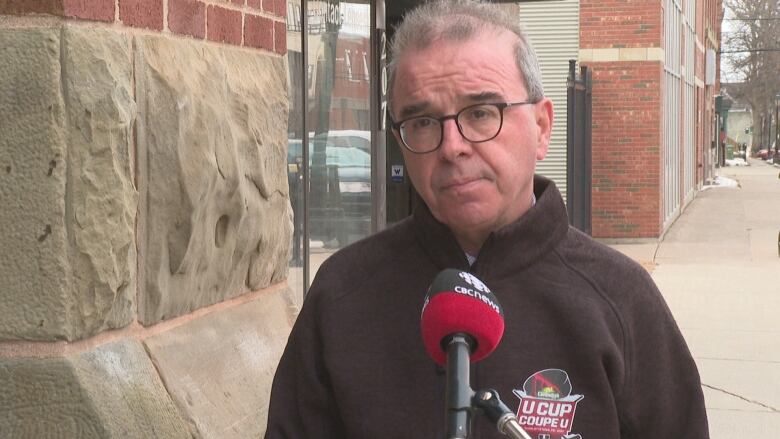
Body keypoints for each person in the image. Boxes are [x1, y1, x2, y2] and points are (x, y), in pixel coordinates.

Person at [265, 1, 709, 438]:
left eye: (480, 113)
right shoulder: (343, 295)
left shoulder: (620, 299)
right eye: (422, 121)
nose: (452, 146)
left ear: (542, 127)